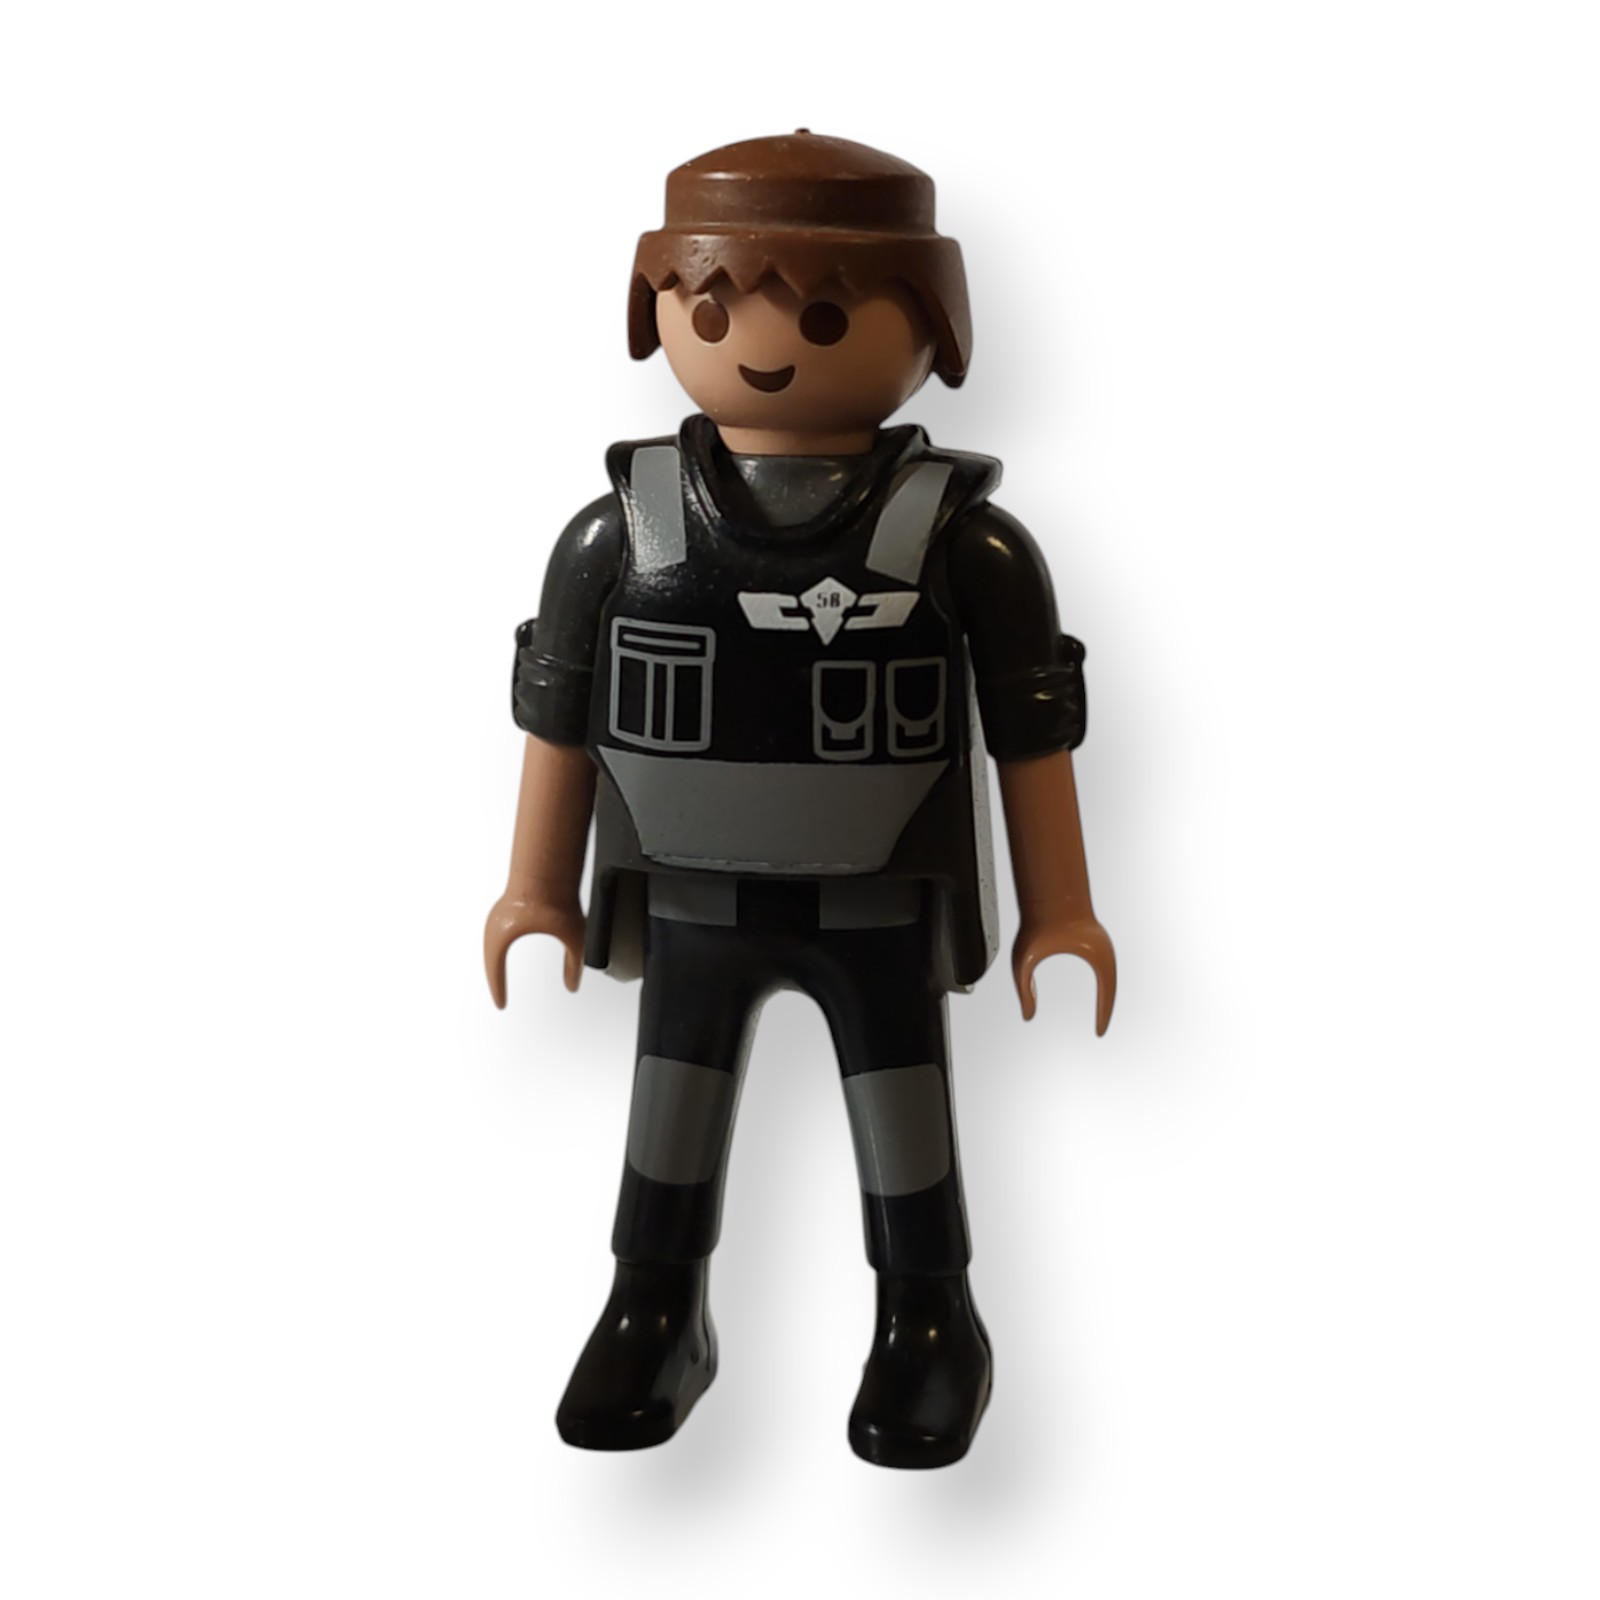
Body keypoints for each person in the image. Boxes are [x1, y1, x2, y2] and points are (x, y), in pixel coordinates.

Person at [485, 131, 1115, 1468]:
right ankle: (656, 1307)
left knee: (903, 1113)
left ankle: (930, 1320)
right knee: (672, 1105)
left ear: (930, 326)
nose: (764, 346)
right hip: (692, 893)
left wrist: (1061, 910)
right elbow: (559, 713)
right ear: (660, 310)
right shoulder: (622, 531)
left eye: (824, 316)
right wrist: (533, 887)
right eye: (713, 309)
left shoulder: (961, 540)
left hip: (875, 899)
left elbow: (1029, 732)